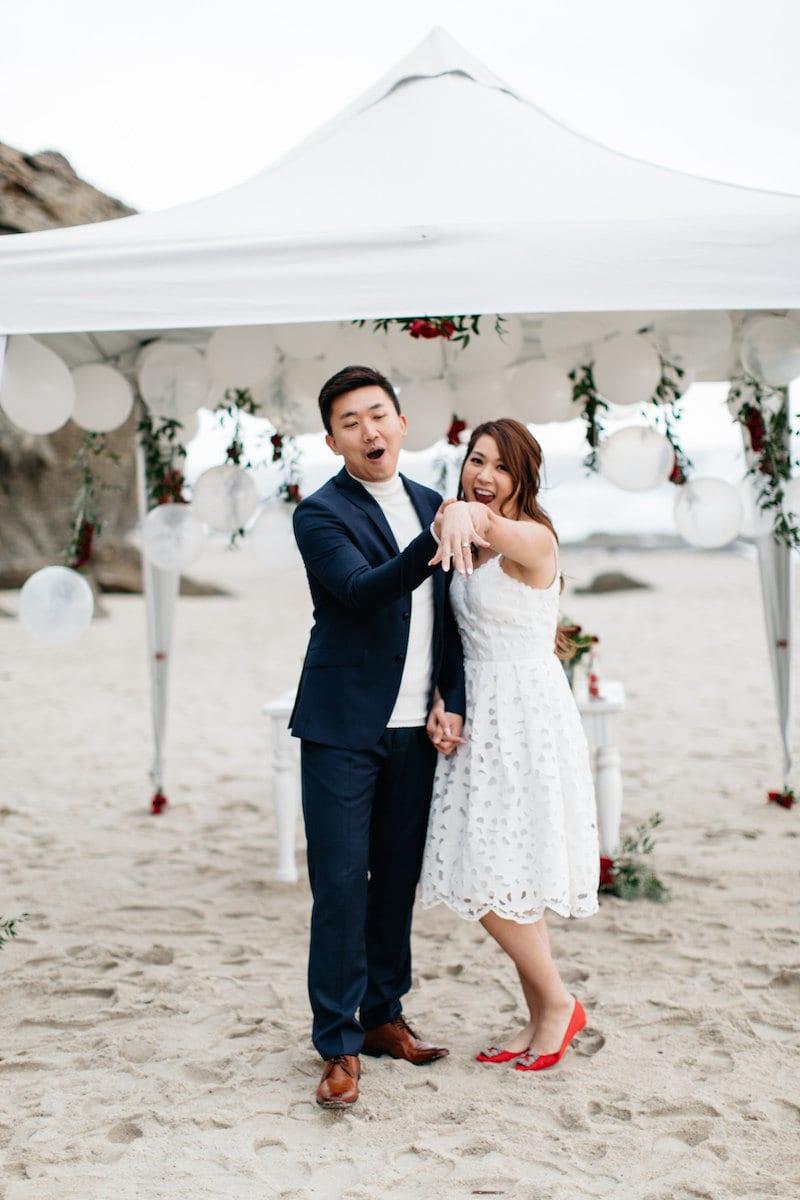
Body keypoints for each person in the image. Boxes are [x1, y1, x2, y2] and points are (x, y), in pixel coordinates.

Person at [290, 364, 466, 1108]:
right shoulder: (319, 514)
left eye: (379, 414)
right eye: (351, 422)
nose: (369, 430)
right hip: (340, 727)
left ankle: (384, 1017)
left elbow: (454, 618)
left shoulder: (433, 502)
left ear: (401, 422)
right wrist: (434, 540)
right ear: (333, 441)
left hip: (414, 734)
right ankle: (337, 1044)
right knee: (339, 886)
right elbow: (361, 592)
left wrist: (450, 697)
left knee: (395, 882)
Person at [419, 418, 599, 1072]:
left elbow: (492, 529)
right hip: (481, 714)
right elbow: (456, 637)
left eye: (498, 465)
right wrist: (445, 698)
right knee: (503, 865)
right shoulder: (473, 532)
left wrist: (456, 510)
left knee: (491, 870)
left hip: (525, 715)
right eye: (474, 461)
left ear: (523, 475)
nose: (483, 474)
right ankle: (539, 1017)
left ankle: (558, 1003)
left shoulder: (533, 538)